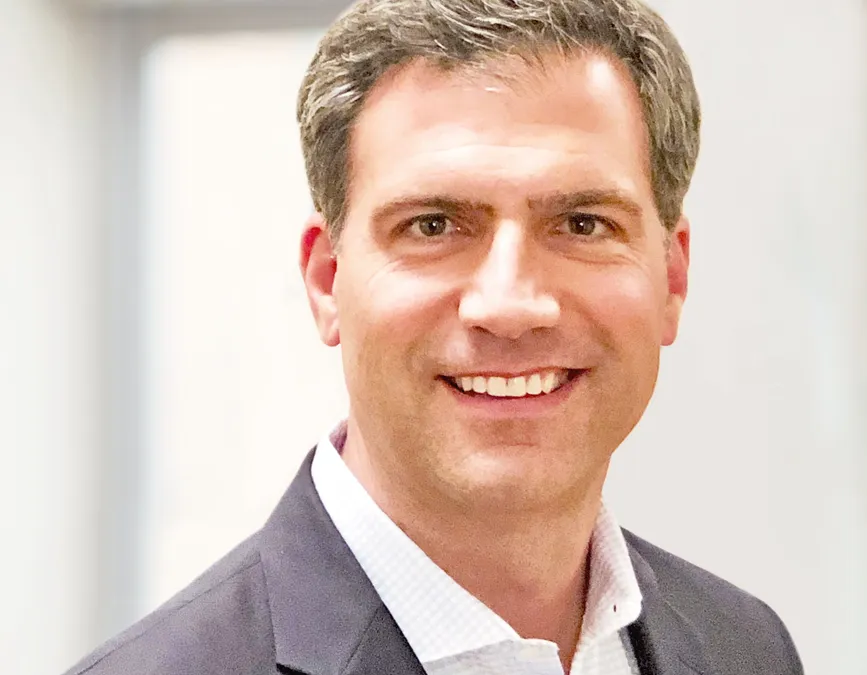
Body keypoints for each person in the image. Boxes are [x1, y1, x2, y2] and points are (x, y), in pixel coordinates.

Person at [66, 0, 804, 673]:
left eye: (582, 224)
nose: (511, 304)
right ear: (327, 282)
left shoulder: (746, 646)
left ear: (672, 279)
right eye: (434, 225)